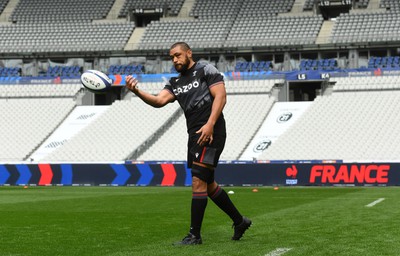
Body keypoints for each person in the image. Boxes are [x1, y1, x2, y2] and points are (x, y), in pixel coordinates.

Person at [125, 42, 251, 245]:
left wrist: (210, 124)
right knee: (208, 185)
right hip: (194, 135)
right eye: (172, 57)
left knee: (198, 180)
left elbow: (221, 96)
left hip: (211, 131)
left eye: (178, 55)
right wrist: (136, 91)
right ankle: (239, 221)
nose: (175, 60)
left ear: (188, 53)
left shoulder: (205, 69)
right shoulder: (174, 82)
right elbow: (158, 101)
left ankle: (194, 235)